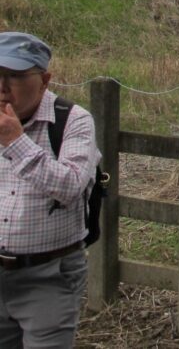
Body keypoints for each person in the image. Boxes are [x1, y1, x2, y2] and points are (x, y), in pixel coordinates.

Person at [0, 32, 99, 348]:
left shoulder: (72, 120)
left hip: (48, 276)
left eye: (15, 76)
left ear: (44, 80)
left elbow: (69, 187)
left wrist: (16, 142)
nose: (3, 86)